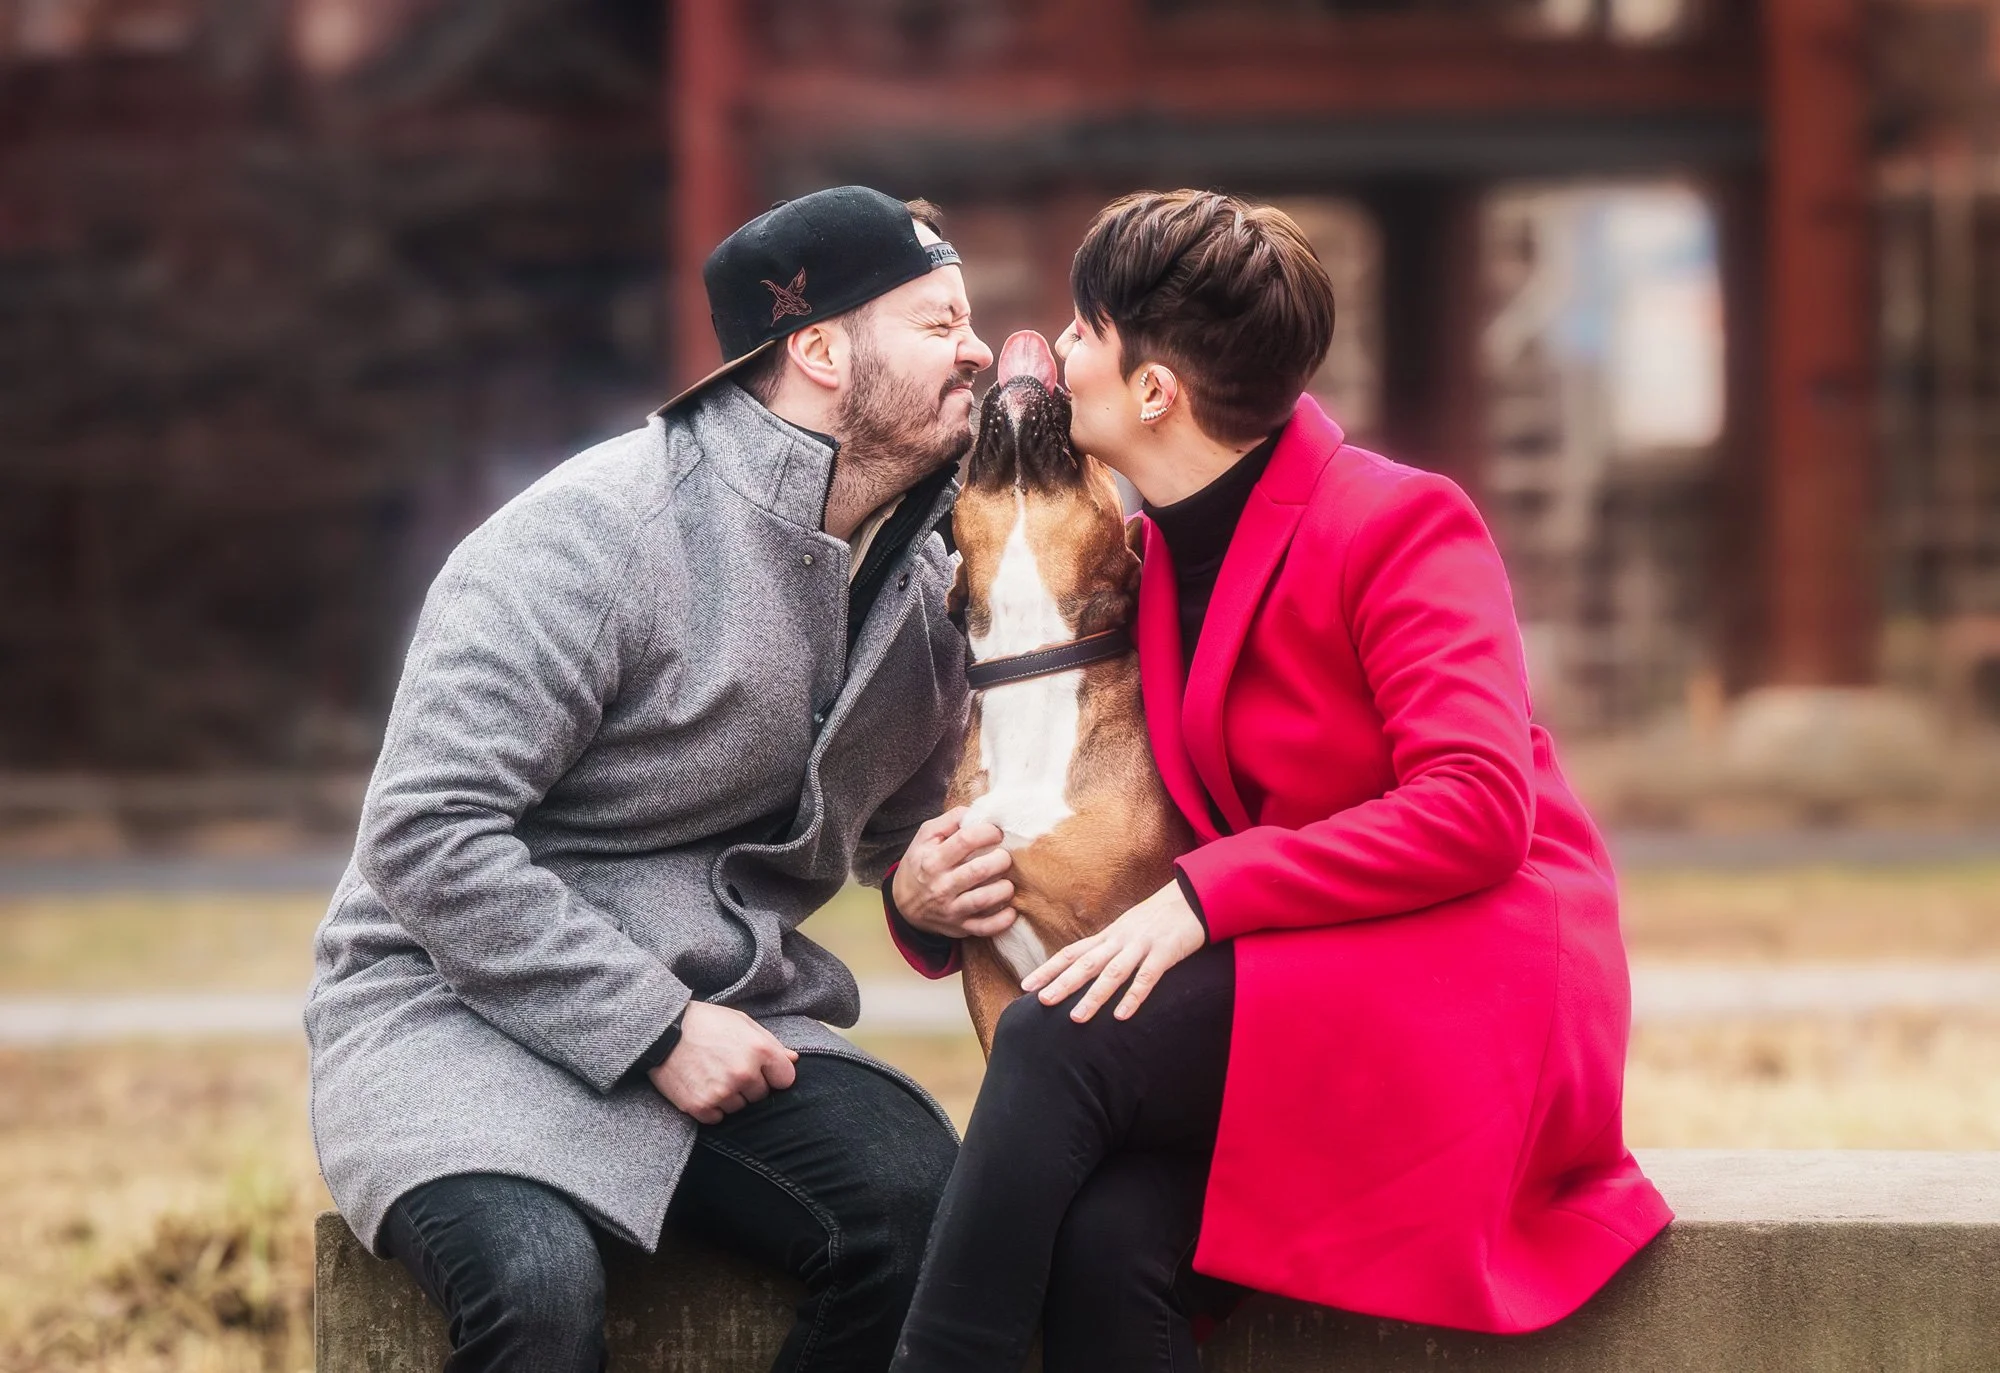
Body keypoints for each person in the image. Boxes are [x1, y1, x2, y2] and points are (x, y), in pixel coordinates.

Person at [886, 190, 1674, 1373]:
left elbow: (1477, 804)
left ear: (1155, 391)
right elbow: (1058, 777)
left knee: (1057, 1037)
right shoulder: (1146, 552)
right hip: (1310, 961)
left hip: (1470, 968)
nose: (1062, 352)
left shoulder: (1398, 520)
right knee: (1107, 1240)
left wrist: (1206, 895)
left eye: (1086, 330)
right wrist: (924, 904)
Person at [305, 185, 1007, 1373]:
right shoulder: (592, 533)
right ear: (820, 351)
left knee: (915, 1206)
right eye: (938, 323)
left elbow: (890, 829)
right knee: (534, 1288)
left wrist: (918, 885)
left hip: (731, 1017)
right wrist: (654, 1027)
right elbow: (426, 831)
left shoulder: (925, 581)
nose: (977, 349)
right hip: (458, 1010)